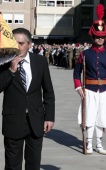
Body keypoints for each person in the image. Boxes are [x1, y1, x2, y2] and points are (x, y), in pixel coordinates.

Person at [0, 28, 55, 170]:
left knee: (33, 164)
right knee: (13, 165)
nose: (17, 47)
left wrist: (49, 117)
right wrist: (11, 70)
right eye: (14, 43)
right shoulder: (3, 62)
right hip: (13, 120)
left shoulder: (40, 61)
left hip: (36, 120)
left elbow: (48, 91)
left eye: (21, 43)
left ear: (29, 44)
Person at [73, 4, 106, 155]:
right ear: (92, 36)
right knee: (90, 117)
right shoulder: (85, 54)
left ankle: (99, 144)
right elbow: (77, 72)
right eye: (98, 37)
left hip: (104, 90)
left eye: (103, 37)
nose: (100, 39)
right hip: (90, 90)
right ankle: (89, 143)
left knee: (102, 117)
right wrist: (79, 88)